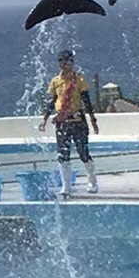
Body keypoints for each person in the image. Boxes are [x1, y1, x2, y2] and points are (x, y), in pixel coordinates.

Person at [38, 50, 99, 195]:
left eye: (67, 60)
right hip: (62, 122)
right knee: (62, 154)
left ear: (72, 62)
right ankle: (66, 186)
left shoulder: (79, 79)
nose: (64, 63)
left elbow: (86, 100)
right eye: (61, 61)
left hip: (78, 120)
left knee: (83, 152)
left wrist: (93, 120)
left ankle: (92, 181)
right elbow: (52, 101)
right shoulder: (55, 81)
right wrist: (45, 119)